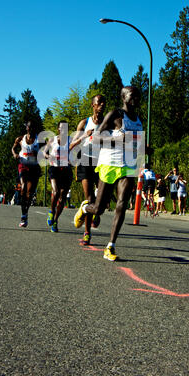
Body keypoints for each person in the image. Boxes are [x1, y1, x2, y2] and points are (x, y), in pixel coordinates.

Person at [73, 86, 146, 261]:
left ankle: (110, 246)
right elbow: (96, 138)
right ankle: (84, 208)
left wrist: (144, 150)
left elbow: (136, 143)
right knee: (98, 209)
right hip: (109, 164)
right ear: (124, 97)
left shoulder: (138, 120)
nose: (136, 98)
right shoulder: (115, 115)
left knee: (121, 203)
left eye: (138, 95)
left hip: (128, 166)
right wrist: (117, 139)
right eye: (132, 95)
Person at [70, 95, 106, 245]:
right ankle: (87, 233)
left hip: (101, 161)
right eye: (99, 103)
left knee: (102, 200)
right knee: (90, 198)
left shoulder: (108, 122)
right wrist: (85, 135)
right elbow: (72, 146)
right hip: (85, 160)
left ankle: (92, 210)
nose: (102, 105)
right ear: (93, 105)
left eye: (104, 103)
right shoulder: (84, 123)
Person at [43, 121, 73, 233]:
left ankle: (55, 220)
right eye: (61, 128)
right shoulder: (52, 140)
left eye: (65, 128)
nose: (63, 130)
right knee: (55, 192)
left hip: (66, 170)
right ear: (58, 129)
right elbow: (44, 152)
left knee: (62, 198)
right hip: (54, 169)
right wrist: (48, 156)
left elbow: (76, 152)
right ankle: (51, 211)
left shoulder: (70, 140)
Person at [12, 120, 41, 227]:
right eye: (29, 127)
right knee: (23, 187)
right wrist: (15, 154)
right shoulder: (20, 139)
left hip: (34, 167)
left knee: (30, 193)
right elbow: (13, 148)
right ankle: (23, 214)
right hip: (23, 165)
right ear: (26, 128)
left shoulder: (40, 140)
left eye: (33, 127)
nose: (31, 129)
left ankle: (25, 214)